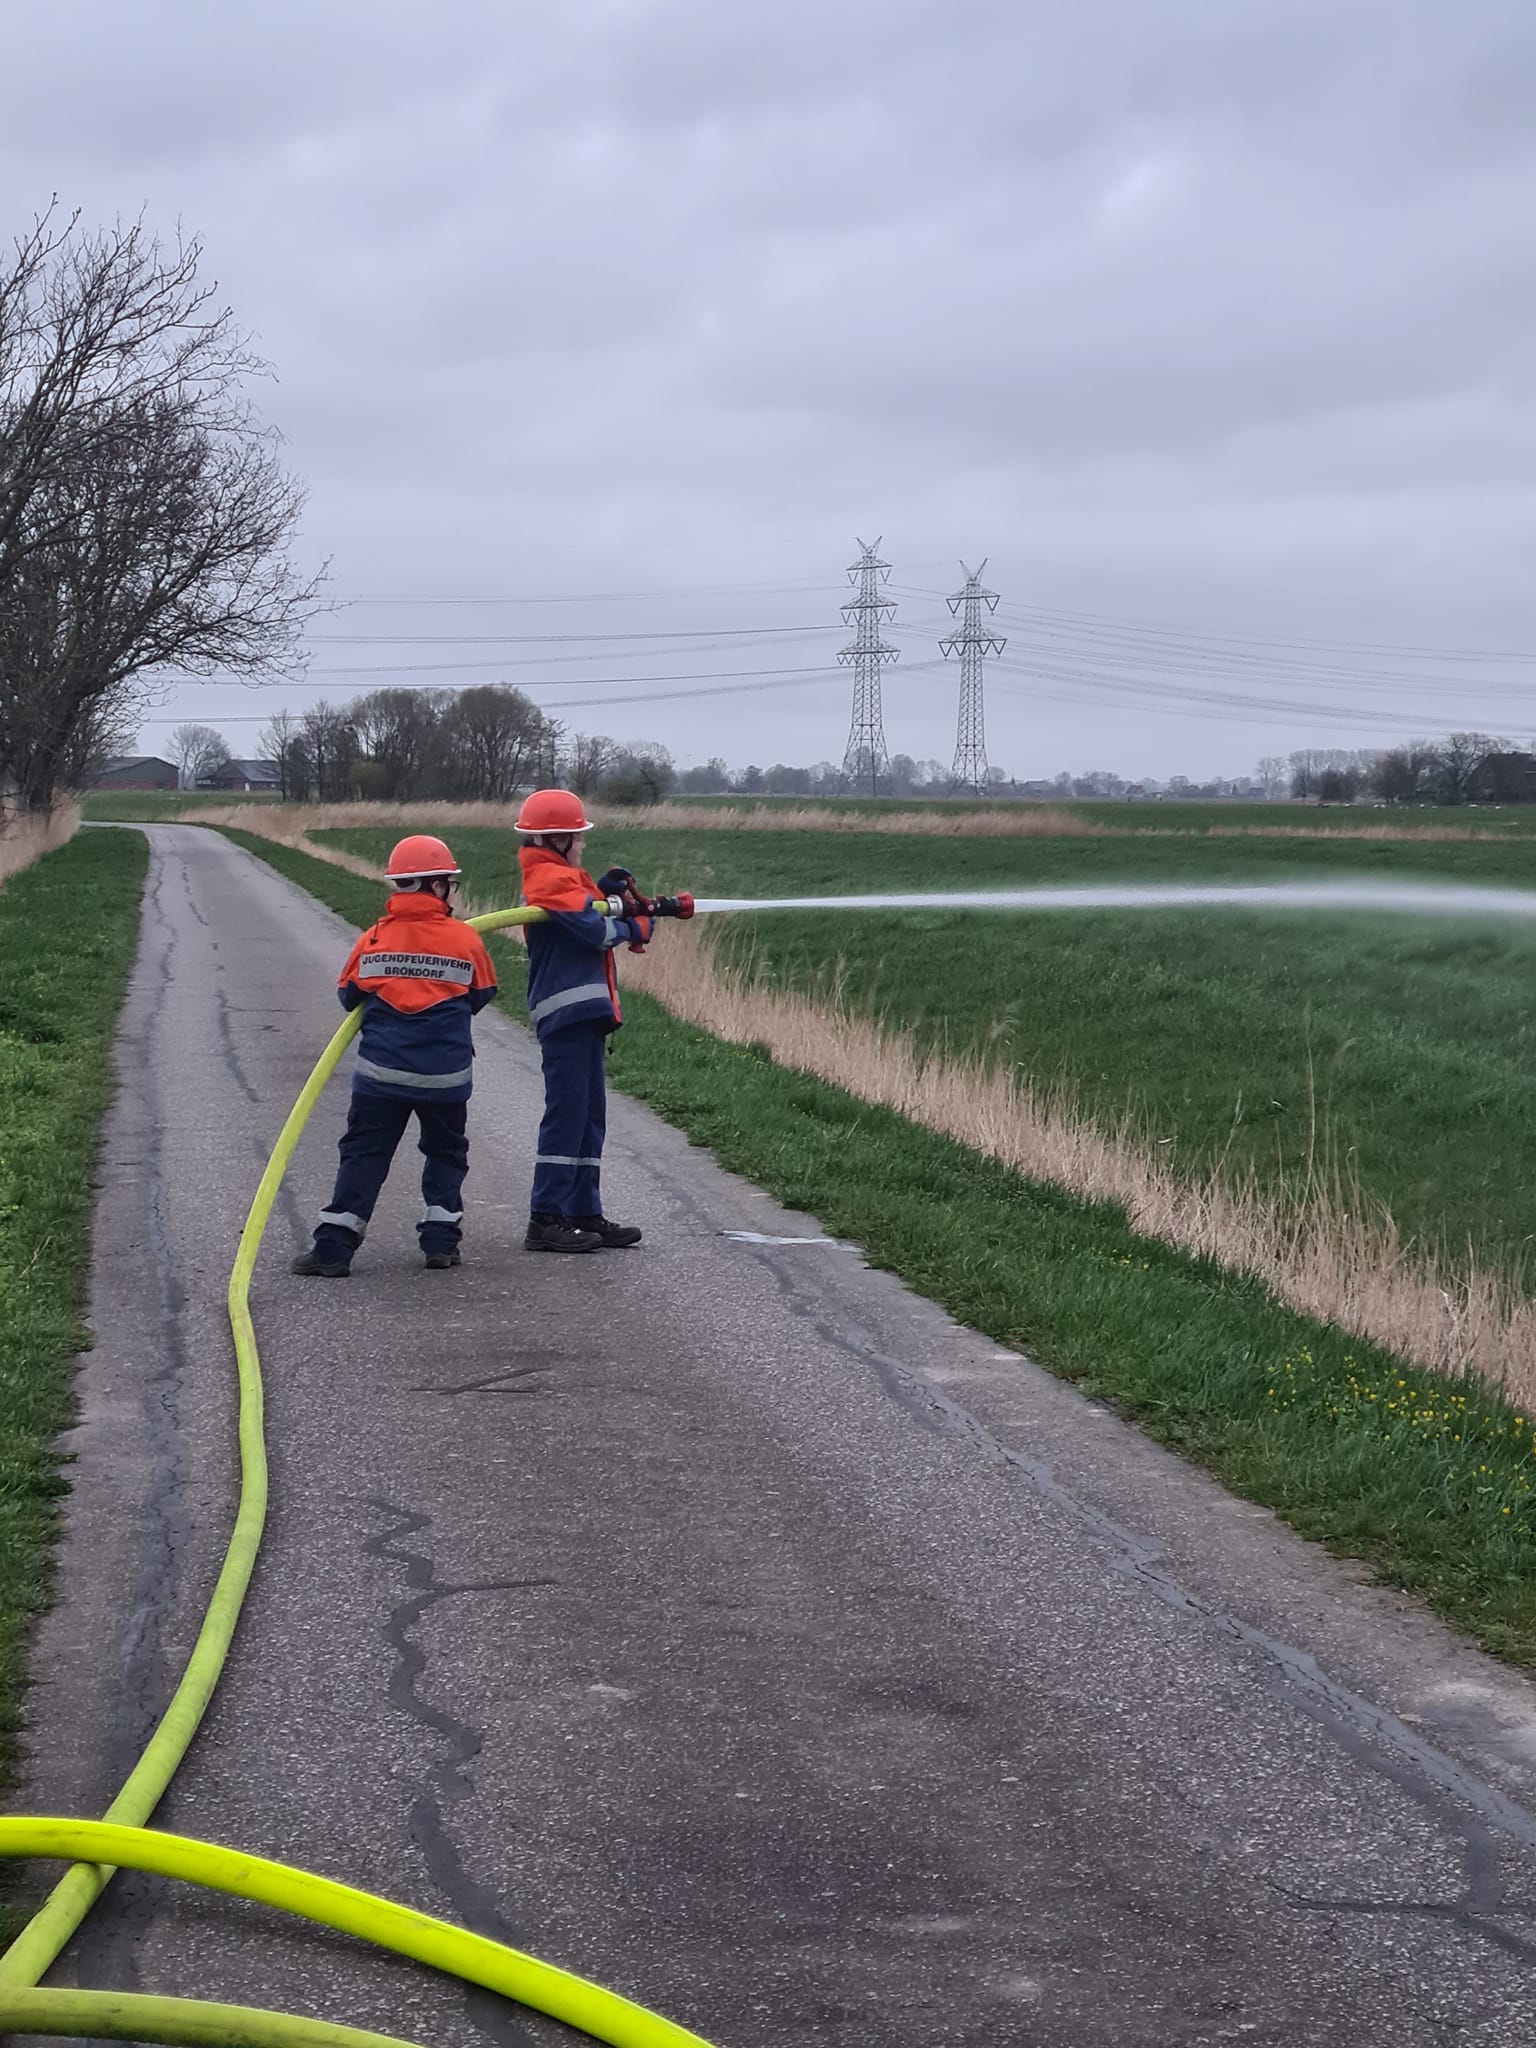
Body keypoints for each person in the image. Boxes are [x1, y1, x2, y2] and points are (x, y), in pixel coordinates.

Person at [292, 834, 498, 1277]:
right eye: (448, 885)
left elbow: (348, 997)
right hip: (445, 1079)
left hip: (380, 1077)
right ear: (436, 885)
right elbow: (482, 994)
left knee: (364, 1154)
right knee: (446, 1154)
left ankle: (334, 1249)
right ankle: (441, 1242)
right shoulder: (465, 940)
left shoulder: (373, 939)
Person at [515, 789, 657, 1253]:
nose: (582, 843)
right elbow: (592, 930)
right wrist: (633, 927)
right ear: (554, 839)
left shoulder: (561, 876)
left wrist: (606, 891)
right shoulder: (548, 877)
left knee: (589, 1117)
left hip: (584, 1014)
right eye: (576, 837)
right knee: (567, 1116)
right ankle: (546, 1217)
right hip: (566, 1014)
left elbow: (583, 906)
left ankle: (582, 1212)